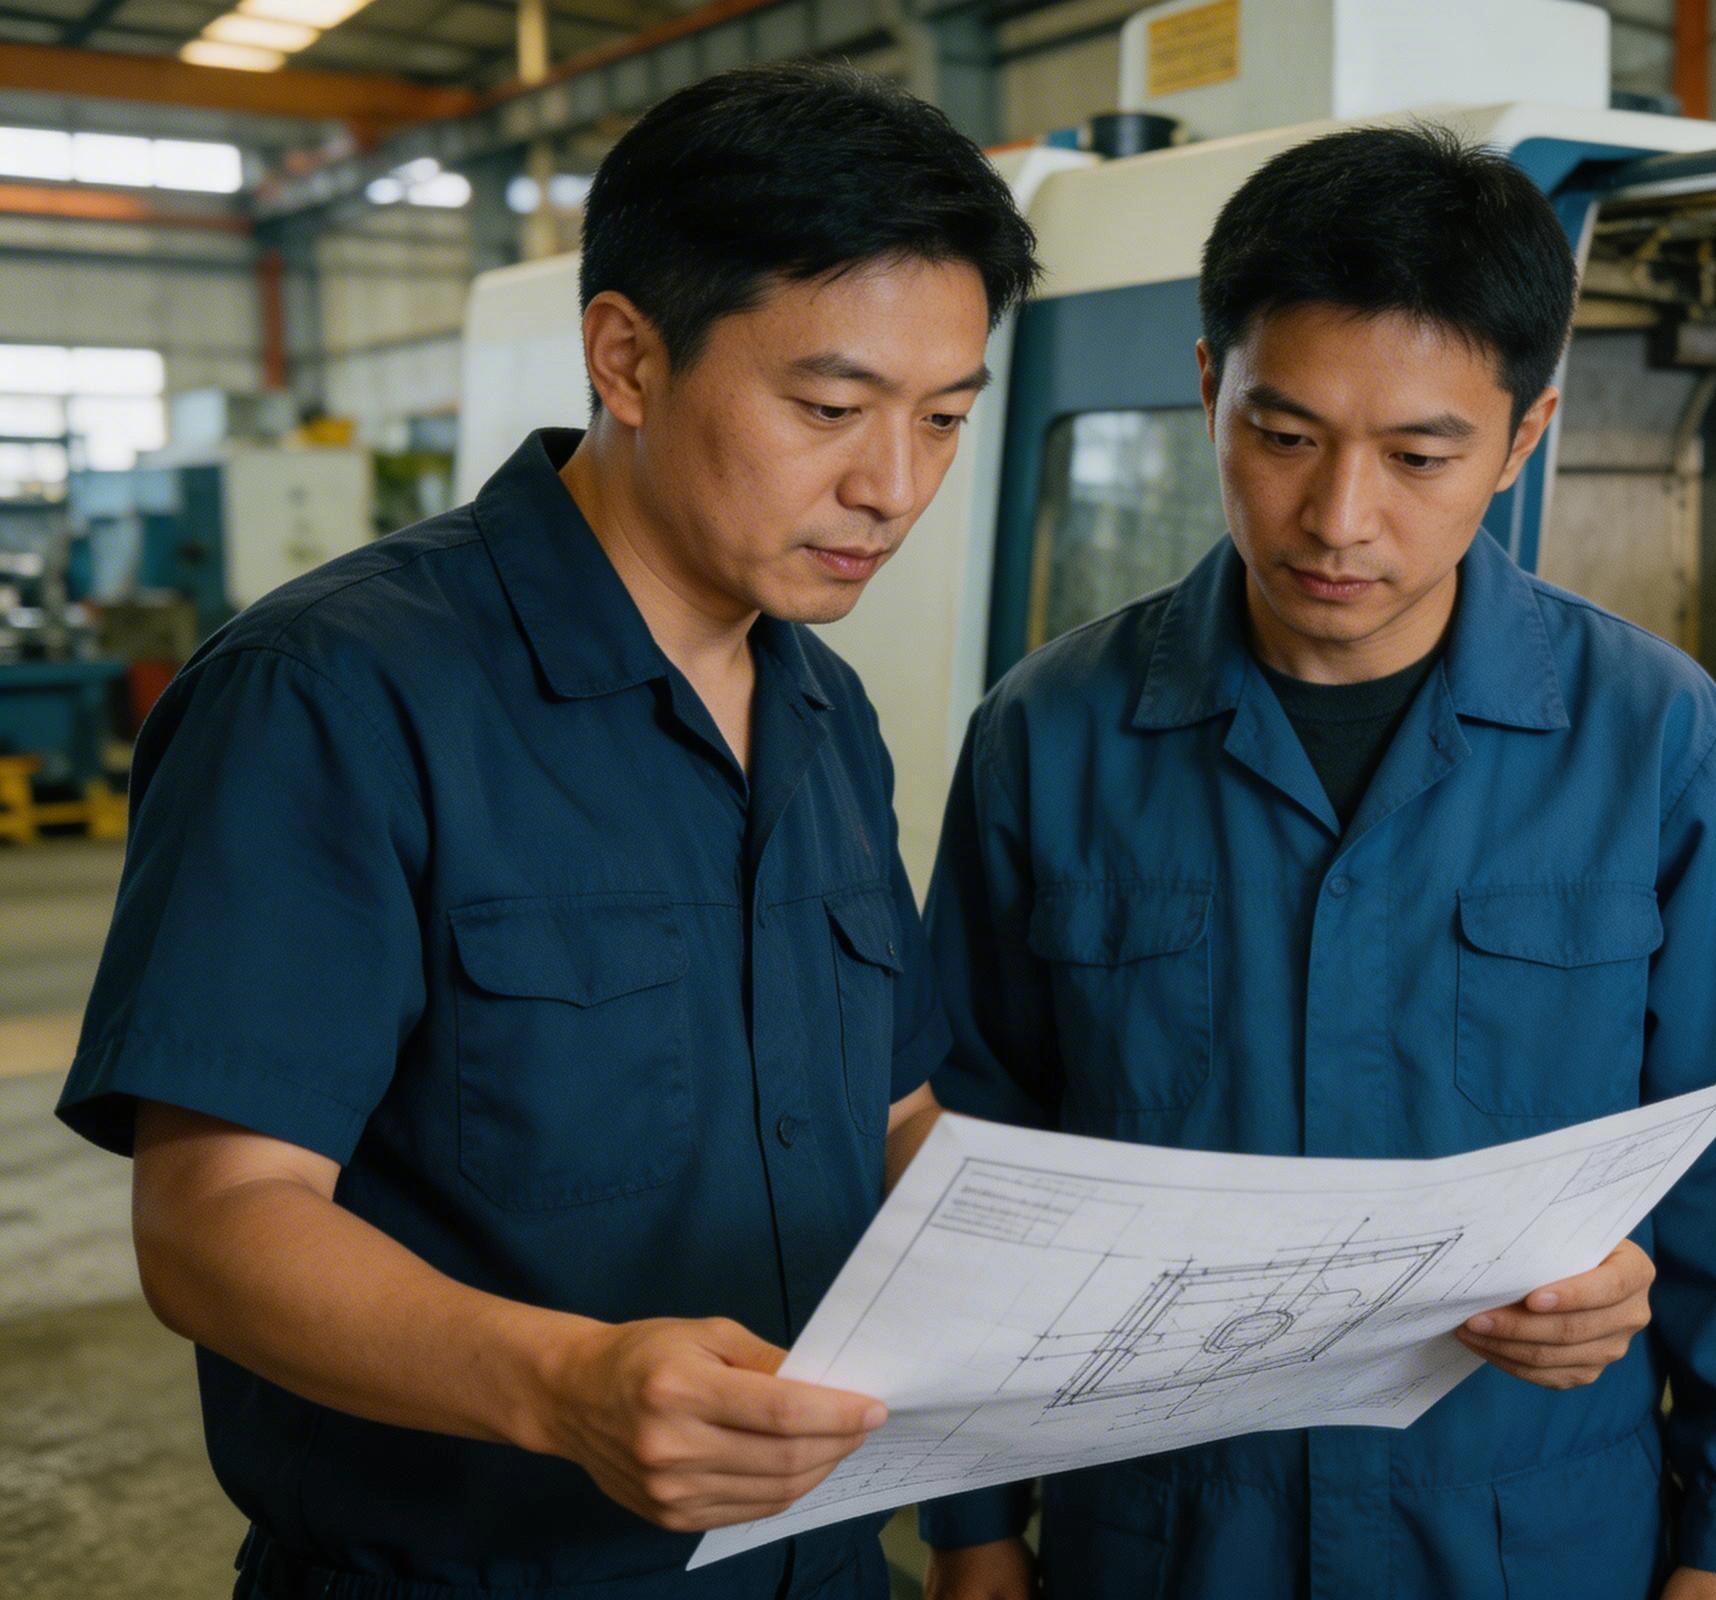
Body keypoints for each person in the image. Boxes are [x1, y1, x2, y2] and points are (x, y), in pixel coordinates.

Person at [55, 62, 1035, 1600]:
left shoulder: (827, 714)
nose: (892, 485)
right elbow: (217, 1222)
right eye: (830, 408)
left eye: (946, 419)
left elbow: (891, 1115)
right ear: (627, 357)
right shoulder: (336, 695)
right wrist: (562, 1384)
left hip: (822, 1565)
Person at [917, 125, 1716, 1600]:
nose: (1340, 519)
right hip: (1159, 1538)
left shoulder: (1648, 736)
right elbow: (971, 1154)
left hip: (1521, 1534)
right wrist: (973, 1535)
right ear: (1208, 384)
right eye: (1283, 437)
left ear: (1524, 435)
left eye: (1423, 455)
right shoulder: (1053, 735)